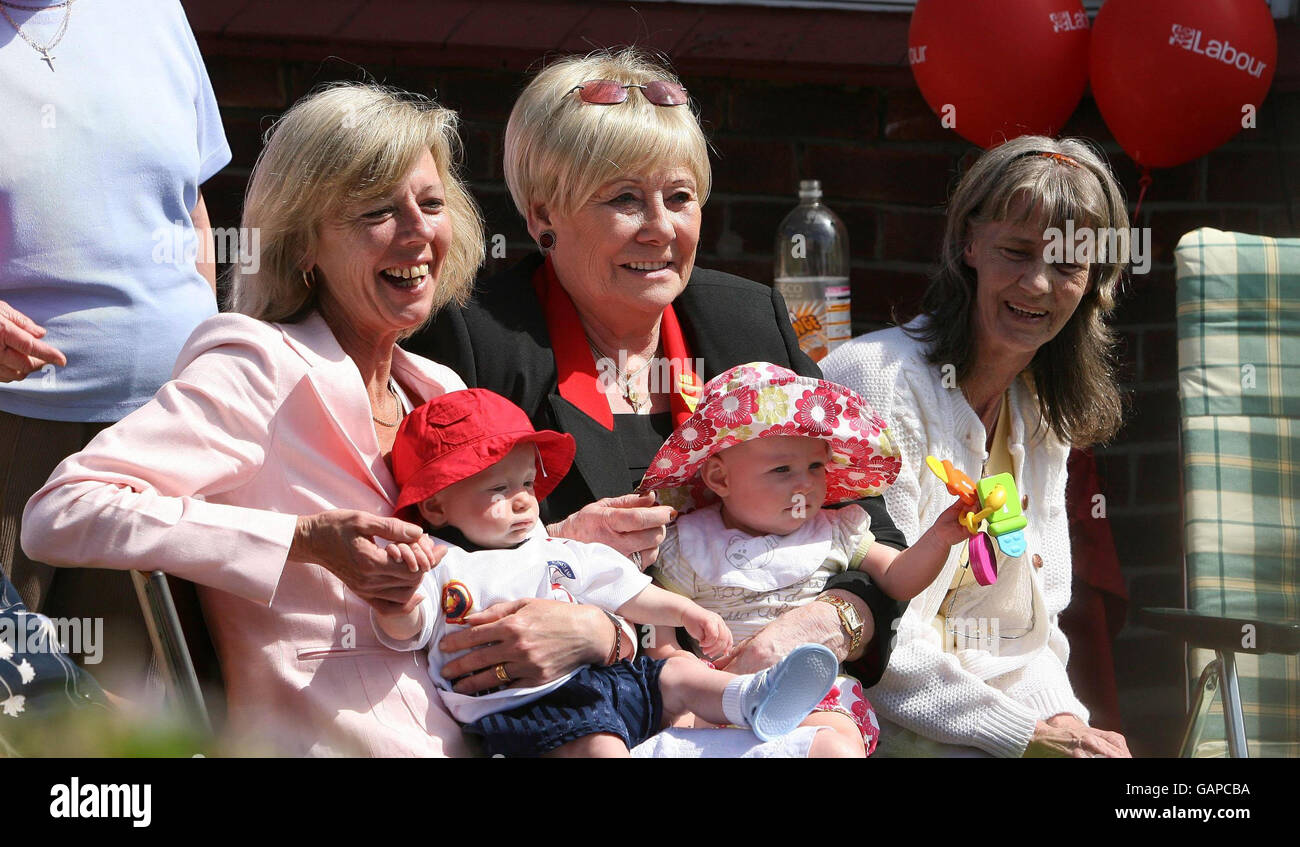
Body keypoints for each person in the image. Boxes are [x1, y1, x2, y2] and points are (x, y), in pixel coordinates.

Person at [20, 83, 634, 757]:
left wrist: (606, 625)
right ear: (303, 243)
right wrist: (303, 540)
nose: (418, 231)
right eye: (377, 210)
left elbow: (508, 580)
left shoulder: (439, 391)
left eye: (431, 204)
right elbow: (62, 511)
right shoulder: (257, 366)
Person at [405, 47, 905, 694]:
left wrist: (828, 621)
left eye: (679, 197)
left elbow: (871, 526)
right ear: (541, 216)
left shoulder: (747, 322)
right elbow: (424, 562)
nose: (661, 229)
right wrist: (553, 545)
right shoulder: (477, 341)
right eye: (624, 199)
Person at [822, 136, 1134, 758]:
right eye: (1016, 252)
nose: (1038, 283)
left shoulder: (1043, 410)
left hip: (987, 723)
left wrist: (1071, 727)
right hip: (857, 719)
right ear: (970, 243)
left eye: (1068, 265)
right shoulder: (875, 378)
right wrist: (1027, 738)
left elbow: (1030, 631)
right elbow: (879, 636)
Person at [372, 388, 839, 757]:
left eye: (527, 484)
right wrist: (399, 604)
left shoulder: (553, 546)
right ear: (435, 505)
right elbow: (411, 629)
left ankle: (751, 698)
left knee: (675, 674)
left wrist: (687, 612)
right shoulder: (440, 563)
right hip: (533, 708)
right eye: (499, 489)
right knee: (599, 747)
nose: (523, 500)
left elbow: (626, 589)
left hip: (608, 677)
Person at [0, 0, 230, 696]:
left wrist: (207, 350)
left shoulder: (152, 10)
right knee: (12, 695)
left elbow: (189, 205)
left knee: (126, 710)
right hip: (14, 436)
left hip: (161, 430)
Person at [639, 362, 969, 757]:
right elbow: (657, 618)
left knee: (832, 747)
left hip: (814, 695)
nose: (805, 484)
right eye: (782, 469)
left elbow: (898, 578)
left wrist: (939, 538)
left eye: (815, 466)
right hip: (721, 693)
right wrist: (675, 666)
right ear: (720, 479)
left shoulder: (835, 531)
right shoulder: (689, 543)